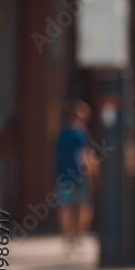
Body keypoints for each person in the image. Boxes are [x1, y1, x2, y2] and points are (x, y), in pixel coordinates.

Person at [55, 99, 95, 254]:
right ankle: (78, 235)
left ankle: (66, 238)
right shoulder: (81, 134)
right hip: (79, 176)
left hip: (62, 175)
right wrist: (93, 175)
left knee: (65, 207)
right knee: (84, 207)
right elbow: (85, 156)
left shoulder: (61, 134)